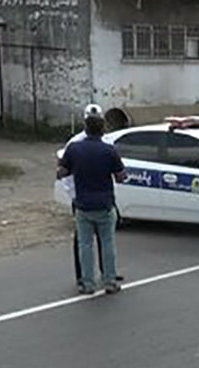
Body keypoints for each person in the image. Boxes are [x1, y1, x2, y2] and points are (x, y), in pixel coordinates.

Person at [58, 104, 127, 295]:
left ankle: (87, 283)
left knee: (85, 244)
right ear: (102, 127)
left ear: (85, 124)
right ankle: (110, 280)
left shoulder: (74, 147)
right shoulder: (109, 149)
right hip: (104, 203)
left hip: (83, 204)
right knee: (107, 242)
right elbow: (121, 176)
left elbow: (62, 172)